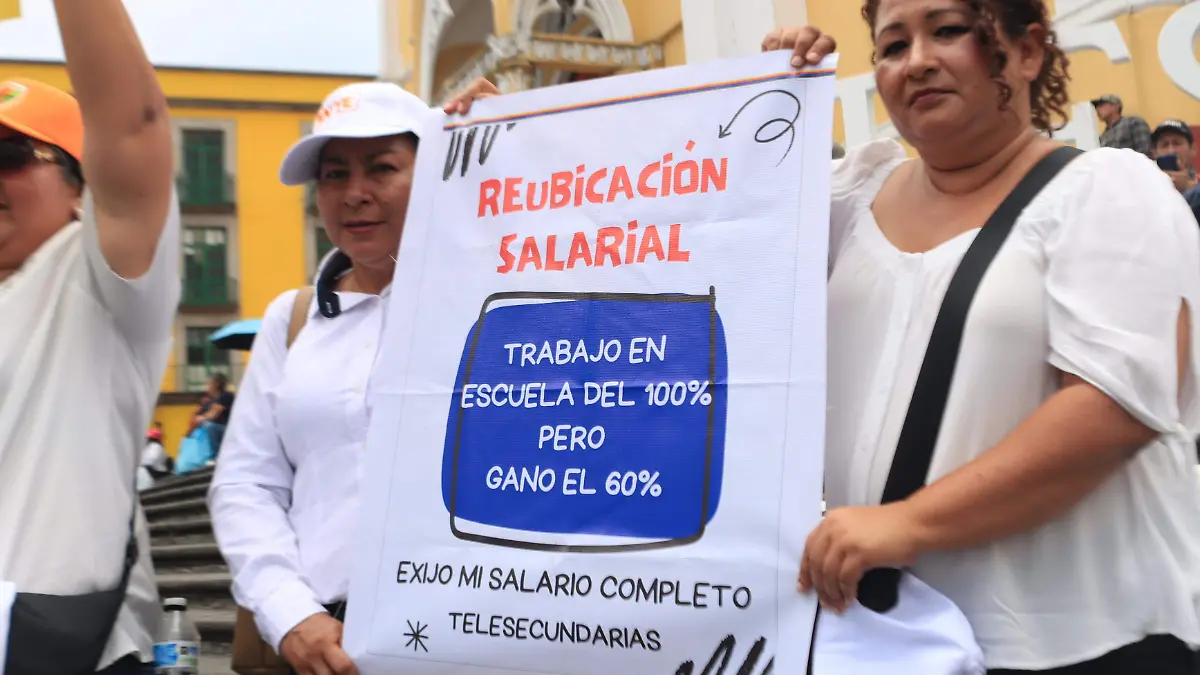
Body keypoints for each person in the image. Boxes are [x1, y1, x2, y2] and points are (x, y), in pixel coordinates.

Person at [767, 3, 1200, 674]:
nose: (916, 61)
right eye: (891, 45)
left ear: (1029, 52)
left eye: (947, 31)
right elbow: (722, 244)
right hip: (883, 643)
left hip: (1075, 645)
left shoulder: (1110, 192)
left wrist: (905, 524)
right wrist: (763, 93)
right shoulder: (849, 198)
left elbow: (1115, 409)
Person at [208, 81, 433, 675]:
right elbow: (246, 484)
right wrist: (290, 615)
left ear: (435, 171)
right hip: (316, 646)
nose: (354, 194)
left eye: (381, 168)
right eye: (334, 175)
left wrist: (507, 138)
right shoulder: (292, 318)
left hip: (464, 636)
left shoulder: (487, 299)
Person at [0, 0, 179, 673]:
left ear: (84, 188)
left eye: (9, 154)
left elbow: (132, 128)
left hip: (64, 652)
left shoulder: (96, 280)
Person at [1151, 118, 1200, 224]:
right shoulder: (1144, 187)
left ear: (1193, 149)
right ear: (1155, 153)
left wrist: (1188, 188)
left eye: (1177, 143)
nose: (1171, 150)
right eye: (1164, 144)